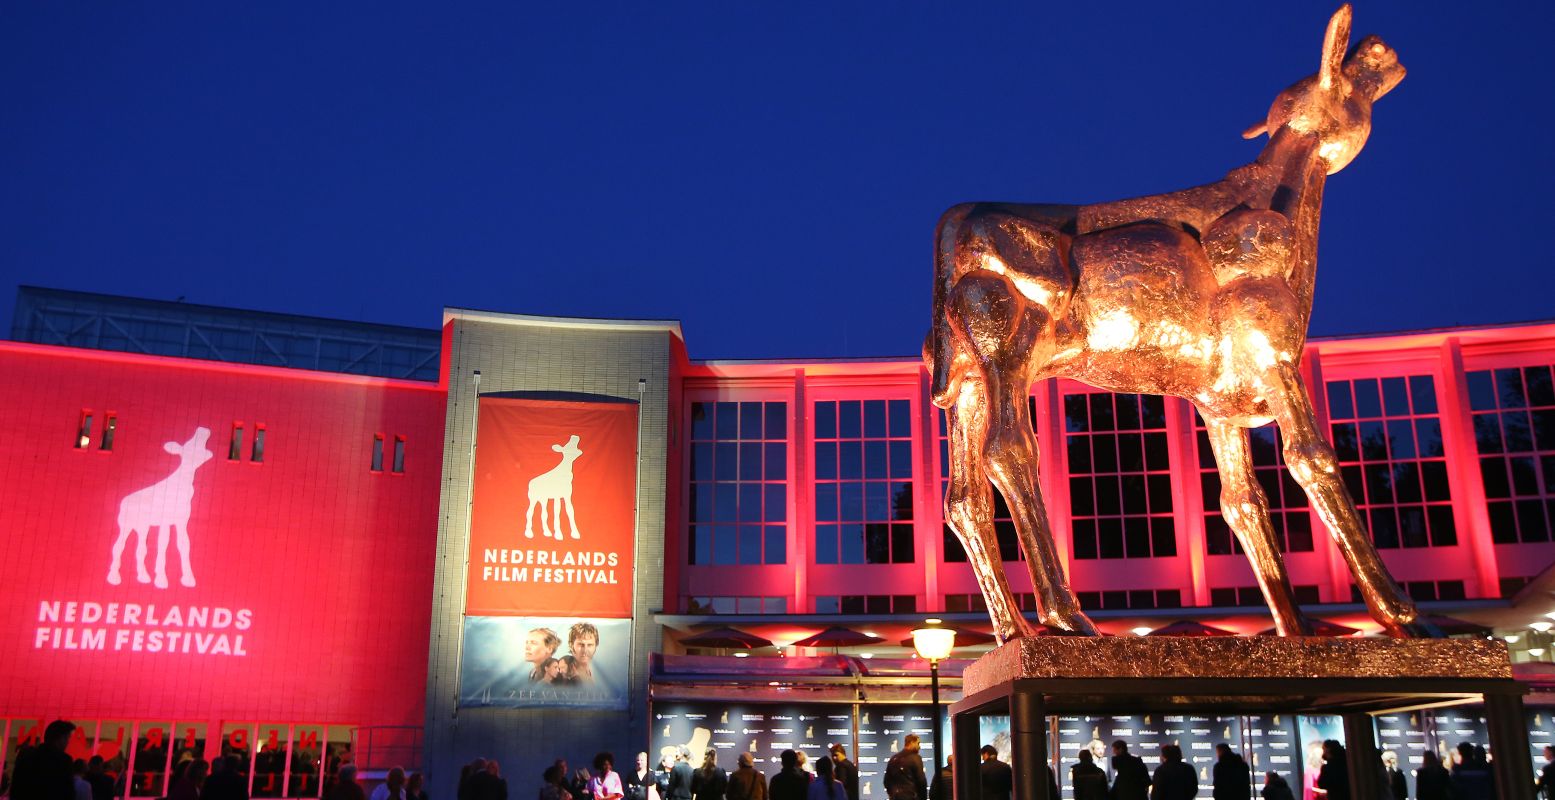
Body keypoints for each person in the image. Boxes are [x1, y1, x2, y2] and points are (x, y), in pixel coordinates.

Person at [11, 720, 77, 800]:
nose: (67, 742)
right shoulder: (64, 760)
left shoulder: (27, 756)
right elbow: (67, 792)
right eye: (67, 738)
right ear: (59, 738)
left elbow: (16, 788)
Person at [883, 736, 926, 800]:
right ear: (911, 742)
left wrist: (892, 794)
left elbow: (886, 781)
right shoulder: (916, 758)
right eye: (918, 743)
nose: (919, 747)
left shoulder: (893, 758)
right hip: (911, 797)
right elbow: (921, 782)